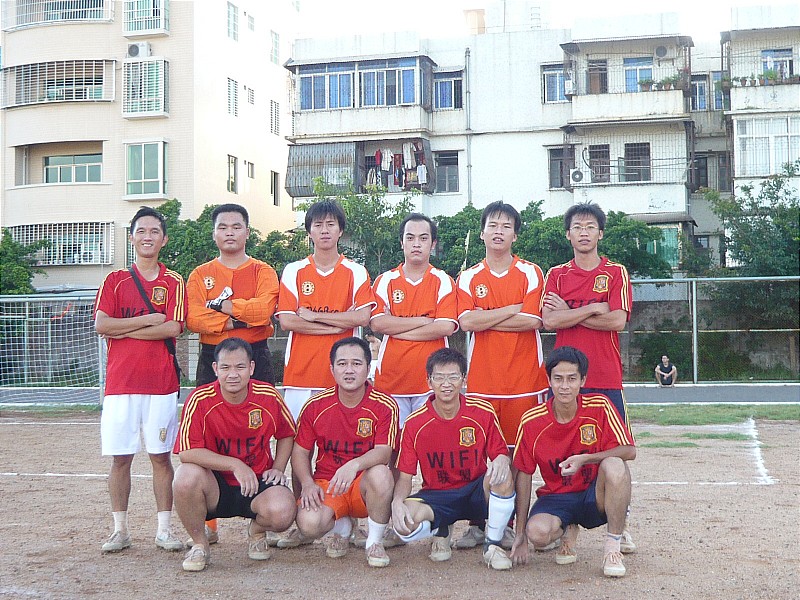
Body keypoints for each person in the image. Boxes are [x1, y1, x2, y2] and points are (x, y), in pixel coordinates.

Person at [541, 201, 636, 553]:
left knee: (614, 454)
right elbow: (550, 321)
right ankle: (570, 523)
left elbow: (617, 320)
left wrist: (572, 313)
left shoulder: (615, 272)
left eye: (590, 227)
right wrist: (593, 308)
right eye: (577, 227)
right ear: (568, 234)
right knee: (568, 449)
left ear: (600, 233)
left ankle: (620, 523)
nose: (584, 233)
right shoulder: (556, 275)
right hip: (566, 379)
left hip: (605, 377)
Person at [455, 201, 548, 549]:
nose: (498, 231)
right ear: (482, 233)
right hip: (483, 382)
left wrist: (488, 316)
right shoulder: (469, 277)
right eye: (492, 225)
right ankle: (478, 524)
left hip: (525, 383)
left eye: (506, 226)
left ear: (515, 235)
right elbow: (466, 321)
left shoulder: (530, 272)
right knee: (479, 456)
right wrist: (510, 309)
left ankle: (514, 526)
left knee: (519, 458)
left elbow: (532, 320)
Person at [186, 202, 280, 544]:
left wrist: (222, 307)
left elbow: (264, 310)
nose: (229, 232)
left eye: (236, 226)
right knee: (208, 431)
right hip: (212, 354)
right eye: (223, 227)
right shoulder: (200, 274)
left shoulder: (263, 271)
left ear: (247, 232)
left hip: (255, 353)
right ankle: (208, 521)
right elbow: (194, 317)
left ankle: (260, 514)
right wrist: (240, 319)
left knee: (261, 427)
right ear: (214, 233)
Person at [94, 206, 186, 554]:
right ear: (131, 237)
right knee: (121, 459)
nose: (148, 237)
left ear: (164, 239)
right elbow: (102, 325)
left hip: (161, 384)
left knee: (161, 457)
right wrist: (147, 319)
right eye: (141, 231)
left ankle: (164, 530)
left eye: (154, 231)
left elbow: (173, 327)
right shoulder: (115, 280)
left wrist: (123, 330)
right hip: (120, 385)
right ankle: (120, 530)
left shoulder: (174, 281)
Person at [509, 346, 636, 578]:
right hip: (557, 497)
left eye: (571, 379)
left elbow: (629, 450)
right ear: (549, 380)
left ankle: (612, 548)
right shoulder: (531, 421)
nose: (564, 386)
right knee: (537, 533)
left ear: (582, 380)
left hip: (593, 495)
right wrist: (520, 533)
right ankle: (567, 528)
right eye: (558, 379)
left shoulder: (600, 406)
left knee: (615, 465)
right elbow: (524, 475)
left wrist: (586, 459)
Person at [172, 338, 297, 572]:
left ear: (251, 367)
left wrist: (278, 468)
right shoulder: (199, 399)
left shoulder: (268, 396)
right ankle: (200, 544)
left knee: (284, 511)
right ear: (215, 369)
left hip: (257, 482)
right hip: (215, 486)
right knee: (184, 477)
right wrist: (234, 465)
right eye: (225, 367)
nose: (233, 374)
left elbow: (287, 434)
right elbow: (187, 452)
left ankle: (256, 531)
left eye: (240, 367)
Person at [391, 348, 515, 571]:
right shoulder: (414, 423)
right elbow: (405, 477)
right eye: (439, 377)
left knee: (503, 477)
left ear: (464, 380)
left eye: (453, 377)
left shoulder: (481, 412)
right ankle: (441, 528)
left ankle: (492, 545)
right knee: (404, 526)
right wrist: (397, 502)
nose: (446, 384)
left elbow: (500, 453)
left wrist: (501, 460)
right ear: (429, 381)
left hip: (475, 491)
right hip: (437, 495)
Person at [289, 337, 398, 567]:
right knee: (309, 524)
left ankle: (374, 541)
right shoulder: (315, 405)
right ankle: (342, 527)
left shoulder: (384, 404)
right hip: (328, 483)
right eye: (342, 364)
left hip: (363, 485)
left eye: (356, 364)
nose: (349, 370)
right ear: (332, 369)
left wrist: (354, 465)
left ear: (368, 368)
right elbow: (299, 452)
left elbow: (384, 452)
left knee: (381, 473)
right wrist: (307, 483)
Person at [276, 200, 375, 420]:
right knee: (298, 436)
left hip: (343, 377)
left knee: (341, 436)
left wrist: (315, 316)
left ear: (341, 230)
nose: (324, 230)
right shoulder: (294, 271)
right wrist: (336, 326)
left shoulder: (356, 271)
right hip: (300, 375)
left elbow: (362, 317)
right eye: (318, 225)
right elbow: (287, 321)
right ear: (309, 231)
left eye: (330, 224)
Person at [371, 213, 458, 426]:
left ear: (433, 243)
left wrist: (395, 327)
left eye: (423, 238)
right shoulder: (385, 280)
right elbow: (377, 324)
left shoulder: (443, 281)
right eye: (410, 238)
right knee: (392, 442)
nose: (416, 244)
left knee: (429, 440)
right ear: (402, 243)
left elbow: (445, 327)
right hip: (391, 381)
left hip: (431, 382)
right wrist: (424, 320)